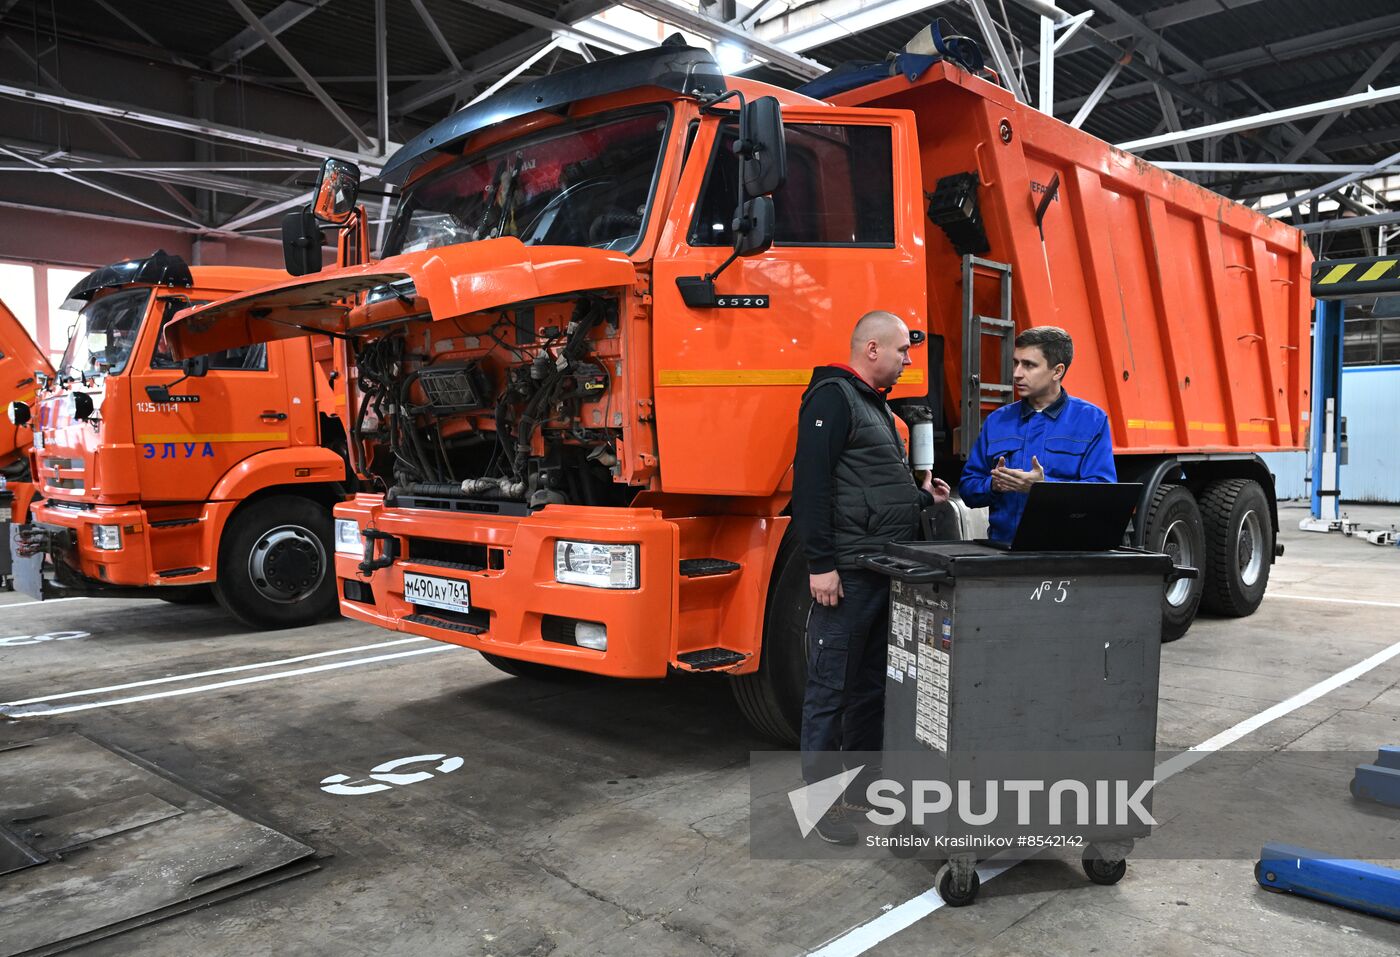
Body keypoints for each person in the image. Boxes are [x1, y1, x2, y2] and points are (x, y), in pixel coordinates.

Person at [792, 310, 951, 845]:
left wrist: (919, 497)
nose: (910, 361)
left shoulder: (874, 406)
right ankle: (820, 805)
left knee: (867, 689)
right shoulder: (833, 397)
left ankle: (861, 790)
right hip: (849, 572)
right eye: (904, 350)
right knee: (830, 687)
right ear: (873, 349)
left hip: (880, 567)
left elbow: (870, 486)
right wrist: (821, 565)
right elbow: (810, 487)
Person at [960, 326, 1115, 543]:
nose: (1016, 374)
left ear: (1057, 371)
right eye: (1016, 363)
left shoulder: (1091, 420)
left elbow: (1103, 496)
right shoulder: (998, 421)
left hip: (1066, 554)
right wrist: (993, 485)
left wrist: (1043, 489)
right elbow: (968, 487)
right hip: (1004, 552)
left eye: (1029, 365)